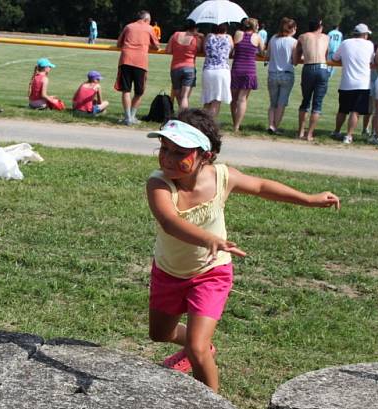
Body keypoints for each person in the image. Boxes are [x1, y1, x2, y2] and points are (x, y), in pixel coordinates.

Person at [146, 108, 340, 392]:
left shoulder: (223, 177)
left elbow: (261, 186)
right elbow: (169, 221)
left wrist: (309, 199)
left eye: (179, 152)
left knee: (196, 349)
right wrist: (207, 239)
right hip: (168, 272)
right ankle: (197, 344)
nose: (168, 158)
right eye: (164, 148)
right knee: (160, 334)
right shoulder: (158, 183)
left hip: (212, 272)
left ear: (206, 157)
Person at [331, 24, 376, 144]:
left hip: (346, 82)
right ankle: (349, 135)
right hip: (362, 83)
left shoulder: (346, 43)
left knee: (342, 110)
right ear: (365, 35)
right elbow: (372, 60)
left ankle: (336, 131)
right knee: (355, 112)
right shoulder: (369, 45)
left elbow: (335, 58)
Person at [115, 10, 160, 125]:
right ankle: (132, 116)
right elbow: (157, 46)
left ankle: (127, 118)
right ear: (146, 20)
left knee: (126, 90)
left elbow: (118, 44)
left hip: (125, 60)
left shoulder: (128, 27)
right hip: (141, 62)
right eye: (149, 20)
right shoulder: (149, 28)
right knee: (139, 92)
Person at [294, 19, 330, 141]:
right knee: (317, 104)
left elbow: (296, 57)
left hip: (309, 67)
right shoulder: (326, 37)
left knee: (305, 101)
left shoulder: (302, 37)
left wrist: (298, 59)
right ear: (320, 27)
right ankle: (309, 134)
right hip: (322, 67)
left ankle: (300, 132)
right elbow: (326, 54)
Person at [230, 18, 265, 133]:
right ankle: (237, 126)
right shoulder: (257, 37)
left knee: (234, 99)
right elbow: (262, 52)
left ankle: (234, 122)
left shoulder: (238, 34)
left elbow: (233, 49)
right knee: (242, 99)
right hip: (249, 70)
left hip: (236, 68)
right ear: (255, 26)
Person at [265, 17, 298, 134]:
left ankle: (270, 124)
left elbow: (267, 55)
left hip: (273, 73)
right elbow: (295, 61)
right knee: (281, 103)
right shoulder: (294, 42)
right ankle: (275, 126)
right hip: (286, 73)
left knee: (272, 103)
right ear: (293, 28)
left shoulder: (273, 38)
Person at [166, 19, 203, 112]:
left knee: (178, 96)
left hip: (175, 68)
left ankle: (181, 115)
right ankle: (184, 118)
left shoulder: (175, 35)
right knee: (185, 97)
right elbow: (200, 50)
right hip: (189, 68)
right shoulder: (196, 38)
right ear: (195, 28)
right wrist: (201, 37)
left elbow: (168, 50)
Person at [201, 23, 234, 119]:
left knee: (207, 99)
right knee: (217, 99)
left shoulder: (209, 36)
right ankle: (210, 123)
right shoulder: (229, 37)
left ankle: (202, 122)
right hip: (222, 70)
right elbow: (231, 52)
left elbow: (204, 50)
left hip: (208, 70)